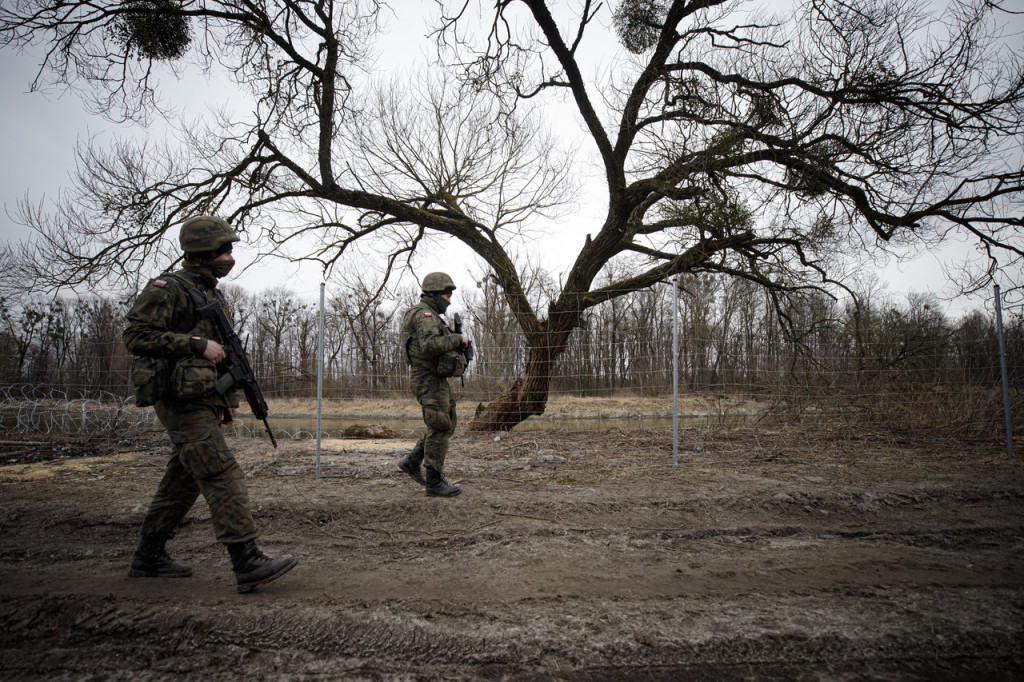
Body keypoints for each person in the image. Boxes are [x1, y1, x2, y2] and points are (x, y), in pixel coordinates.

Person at [123, 215, 297, 593]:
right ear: (205, 251)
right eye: (225, 250)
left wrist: (227, 400)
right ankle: (246, 560)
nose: (230, 256)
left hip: (202, 398)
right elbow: (136, 334)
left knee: (184, 477)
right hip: (178, 398)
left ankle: (148, 555)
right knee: (220, 472)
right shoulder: (169, 287)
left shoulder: (209, 292)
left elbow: (227, 358)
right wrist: (195, 344)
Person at [397, 272, 470, 497]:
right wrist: (458, 340)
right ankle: (434, 481)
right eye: (447, 295)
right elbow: (429, 345)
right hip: (427, 380)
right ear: (435, 294)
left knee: (446, 422)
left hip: (434, 379)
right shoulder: (425, 315)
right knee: (440, 426)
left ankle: (413, 460)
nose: (449, 300)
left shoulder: (426, 315)